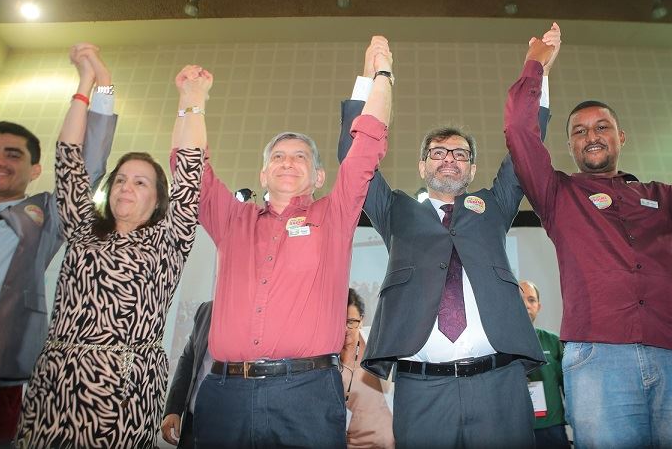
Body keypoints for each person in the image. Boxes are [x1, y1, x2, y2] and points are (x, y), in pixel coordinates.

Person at [504, 30, 672, 448]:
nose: (592, 136)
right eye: (580, 131)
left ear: (621, 137)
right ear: (569, 146)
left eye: (602, 127)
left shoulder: (661, 196)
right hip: (598, 357)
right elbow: (518, 132)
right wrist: (536, 64)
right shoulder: (557, 194)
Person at [337, 27, 559, 448]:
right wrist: (369, 80)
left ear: (472, 169)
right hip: (423, 391)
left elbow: (527, 148)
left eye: (460, 154)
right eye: (437, 152)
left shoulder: (494, 204)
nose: (449, 159)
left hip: (499, 384)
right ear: (422, 166)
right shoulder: (396, 209)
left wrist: (539, 73)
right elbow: (353, 158)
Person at [191, 36, 392, 448]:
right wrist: (192, 101)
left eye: (301, 156)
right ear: (263, 174)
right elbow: (191, 170)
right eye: (278, 156)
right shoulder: (232, 219)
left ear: (318, 176)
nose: (288, 161)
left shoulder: (333, 215)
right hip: (225, 396)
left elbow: (367, 145)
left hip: (306, 397)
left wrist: (380, 76)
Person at [15, 61, 208, 447]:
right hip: (56, 383)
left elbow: (190, 168)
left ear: (159, 199)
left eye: (140, 182)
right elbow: (68, 158)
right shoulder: (82, 228)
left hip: (126, 388)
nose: (125, 187)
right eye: (120, 179)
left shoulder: (169, 240)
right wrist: (85, 84)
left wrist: (193, 98)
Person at [0, 43, 117, 446]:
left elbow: (86, 165)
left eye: (13, 154)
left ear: (35, 169)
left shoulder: (42, 216)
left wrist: (97, 85)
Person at [341, 288, 394, 449]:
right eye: (340, 322)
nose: (345, 329)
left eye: (351, 322)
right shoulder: (328, 362)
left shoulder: (378, 343)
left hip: (392, 441)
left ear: (362, 319)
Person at [519, 281, 568, 449]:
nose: (526, 304)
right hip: (516, 430)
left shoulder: (554, 341)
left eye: (531, 300)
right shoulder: (501, 345)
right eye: (520, 299)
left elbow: (568, 387)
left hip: (552, 428)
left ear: (538, 307)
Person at [161, 301, 213, 448]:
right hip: (191, 422)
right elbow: (188, 360)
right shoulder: (207, 309)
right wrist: (173, 409)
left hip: (230, 426)